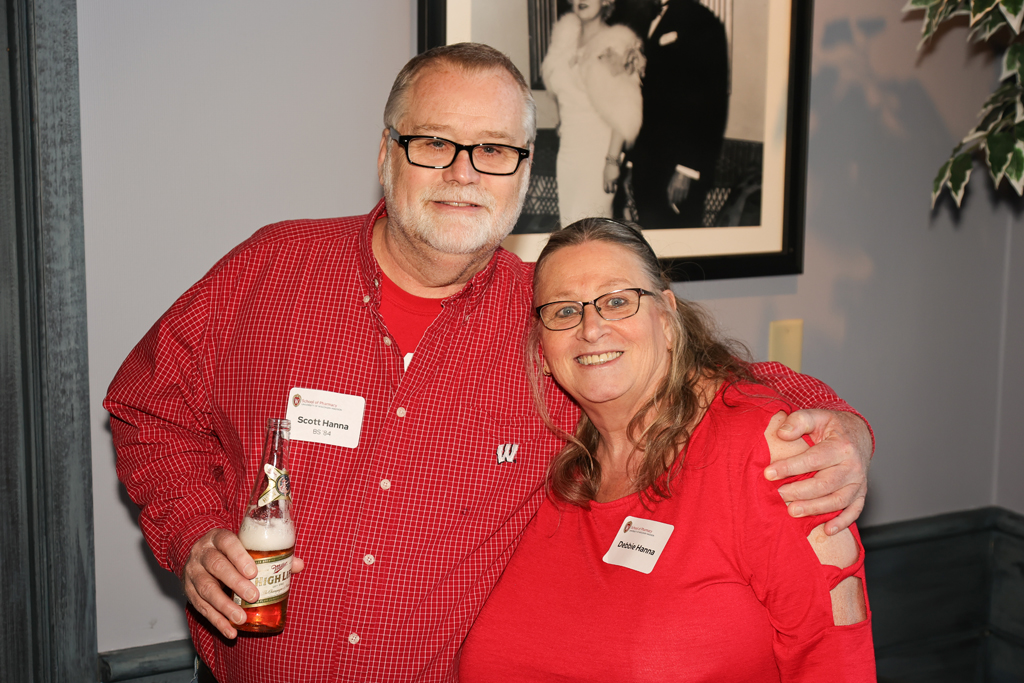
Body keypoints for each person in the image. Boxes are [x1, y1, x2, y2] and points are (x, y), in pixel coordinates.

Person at [105, 43, 872, 683]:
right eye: (434, 142)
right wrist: (195, 531)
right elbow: (150, 406)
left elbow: (684, 372)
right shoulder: (271, 270)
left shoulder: (550, 327)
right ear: (386, 153)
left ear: (524, 166)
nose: (463, 172)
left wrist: (841, 426)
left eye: (495, 149)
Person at [459, 218, 875, 681]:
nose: (591, 328)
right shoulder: (546, 453)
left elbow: (835, 659)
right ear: (542, 346)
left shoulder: (763, 452)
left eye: (618, 302)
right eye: (563, 311)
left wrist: (849, 425)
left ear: (667, 318)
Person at [627, 0, 729, 228]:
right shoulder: (648, 17)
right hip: (647, 162)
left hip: (678, 169)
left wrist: (687, 169)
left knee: (681, 255)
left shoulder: (702, 21)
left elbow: (711, 102)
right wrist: (633, 163)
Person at [542, 0, 643, 227]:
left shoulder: (617, 43)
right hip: (568, 150)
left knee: (590, 229)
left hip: (598, 152)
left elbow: (625, 109)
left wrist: (612, 160)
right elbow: (560, 88)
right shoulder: (564, 39)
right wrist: (562, 119)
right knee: (569, 225)